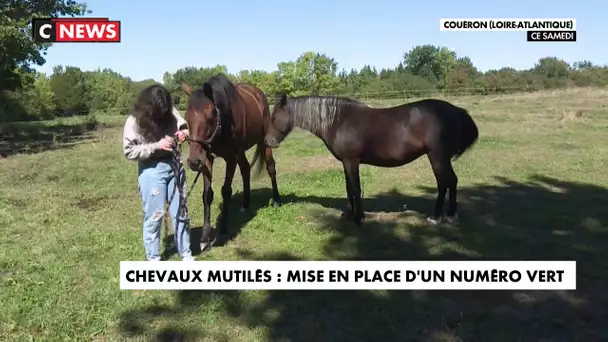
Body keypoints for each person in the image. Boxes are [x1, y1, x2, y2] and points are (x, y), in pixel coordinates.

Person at [122, 84, 194, 261]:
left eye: (166, 111)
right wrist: (156, 146)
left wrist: (184, 132)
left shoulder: (170, 111)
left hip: (174, 165)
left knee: (181, 212)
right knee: (155, 216)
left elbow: (183, 125)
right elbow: (129, 151)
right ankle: (153, 259)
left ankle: (186, 254)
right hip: (151, 171)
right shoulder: (134, 121)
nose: (163, 115)